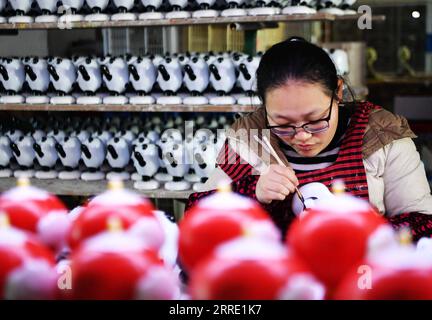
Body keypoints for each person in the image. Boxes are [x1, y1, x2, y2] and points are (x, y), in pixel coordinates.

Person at [186, 37, 432, 241]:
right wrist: (251, 192)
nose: (302, 136)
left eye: (315, 120)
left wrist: (361, 234)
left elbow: (424, 224)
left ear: (337, 91)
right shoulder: (248, 135)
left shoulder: (381, 134)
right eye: (283, 124)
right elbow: (196, 215)